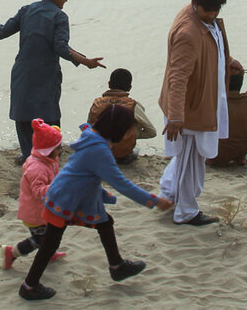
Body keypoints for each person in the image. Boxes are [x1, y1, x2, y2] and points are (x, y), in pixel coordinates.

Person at [18, 105, 173, 301]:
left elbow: (84, 173)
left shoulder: (92, 136)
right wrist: (154, 201)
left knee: (104, 223)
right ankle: (29, 286)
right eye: (127, 129)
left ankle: (117, 266)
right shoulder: (99, 149)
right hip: (64, 199)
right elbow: (121, 183)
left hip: (71, 196)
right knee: (50, 243)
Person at [0, 0, 106, 164]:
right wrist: (85, 61)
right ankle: (51, 153)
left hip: (23, 72)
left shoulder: (27, 10)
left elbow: (2, 31)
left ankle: (29, 155)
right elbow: (60, 46)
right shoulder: (59, 16)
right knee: (50, 115)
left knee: (23, 114)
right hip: (46, 74)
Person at [158, 0, 243, 226]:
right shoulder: (188, 31)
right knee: (190, 160)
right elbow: (178, 77)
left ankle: (169, 193)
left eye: (218, 10)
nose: (214, 15)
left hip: (204, 101)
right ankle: (186, 212)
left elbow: (210, 47)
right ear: (196, 4)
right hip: (189, 108)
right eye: (209, 10)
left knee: (189, 158)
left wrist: (228, 61)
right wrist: (176, 117)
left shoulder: (205, 18)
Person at [2, 119, 66, 269]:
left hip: (45, 209)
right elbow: (38, 192)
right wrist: (58, 187)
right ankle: (12, 253)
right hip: (35, 214)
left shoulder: (49, 160)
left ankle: (49, 253)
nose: (60, 151)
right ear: (48, 150)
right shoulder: (37, 168)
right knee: (40, 240)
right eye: (58, 148)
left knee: (53, 233)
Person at [86, 68, 157, 165]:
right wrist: (132, 135)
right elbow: (152, 132)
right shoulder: (133, 105)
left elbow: (88, 127)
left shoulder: (97, 103)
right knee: (135, 126)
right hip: (121, 154)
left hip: (98, 151)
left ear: (109, 84)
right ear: (129, 87)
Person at [207, 71, 247, 167]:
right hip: (245, 148)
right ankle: (240, 157)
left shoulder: (215, 100)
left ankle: (212, 158)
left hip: (218, 152)